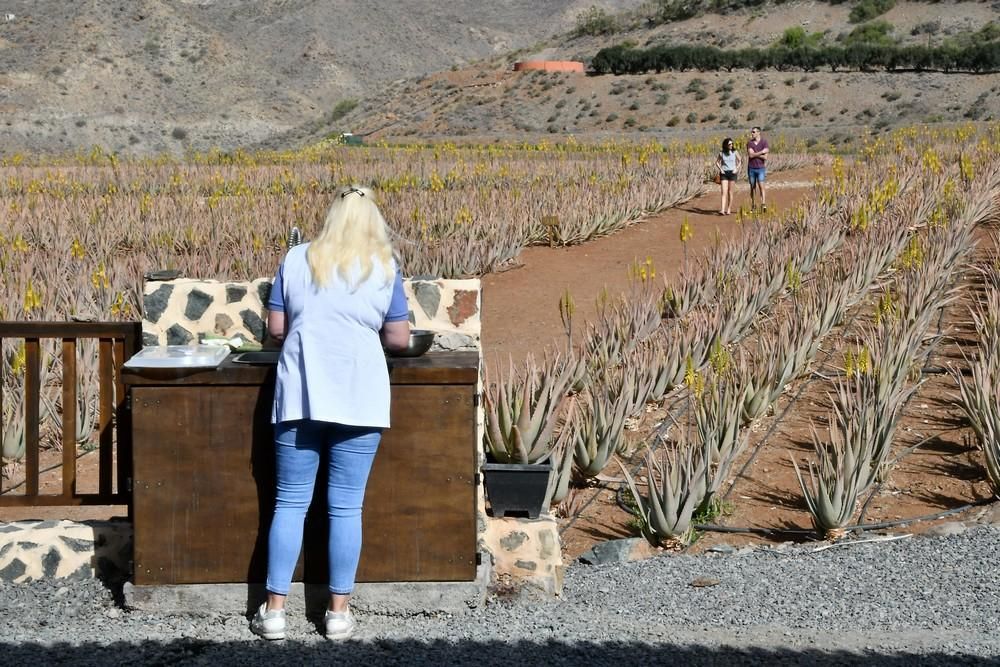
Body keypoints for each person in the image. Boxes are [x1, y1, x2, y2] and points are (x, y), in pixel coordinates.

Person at [252, 185, 410, 641]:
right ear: (372, 222)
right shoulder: (384, 266)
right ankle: (338, 613)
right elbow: (398, 339)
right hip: (359, 396)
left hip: (301, 393)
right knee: (346, 507)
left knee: (289, 502)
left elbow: (276, 329)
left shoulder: (296, 259)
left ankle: (275, 610)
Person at [715, 137, 742, 215]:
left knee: (730, 192)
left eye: (732, 143)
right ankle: (722, 210)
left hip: (732, 173)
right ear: (726, 145)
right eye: (730, 144)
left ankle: (729, 208)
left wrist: (736, 168)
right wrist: (721, 169)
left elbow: (740, 160)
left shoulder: (735, 152)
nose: (731, 145)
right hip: (724, 174)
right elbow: (717, 162)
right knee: (724, 192)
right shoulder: (721, 153)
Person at [747, 126, 769, 212]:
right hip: (751, 168)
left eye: (753, 132)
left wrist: (755, 154)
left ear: (758, 132)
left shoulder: (764, 142)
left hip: (760, 168)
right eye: (752, 132)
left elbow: (766, 157)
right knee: (752, 187)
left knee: (761, 186)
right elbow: (750, 155)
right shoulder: (750, 143)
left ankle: (763, 204)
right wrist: (762, 152)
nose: (752, 133)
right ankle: (753, 205)